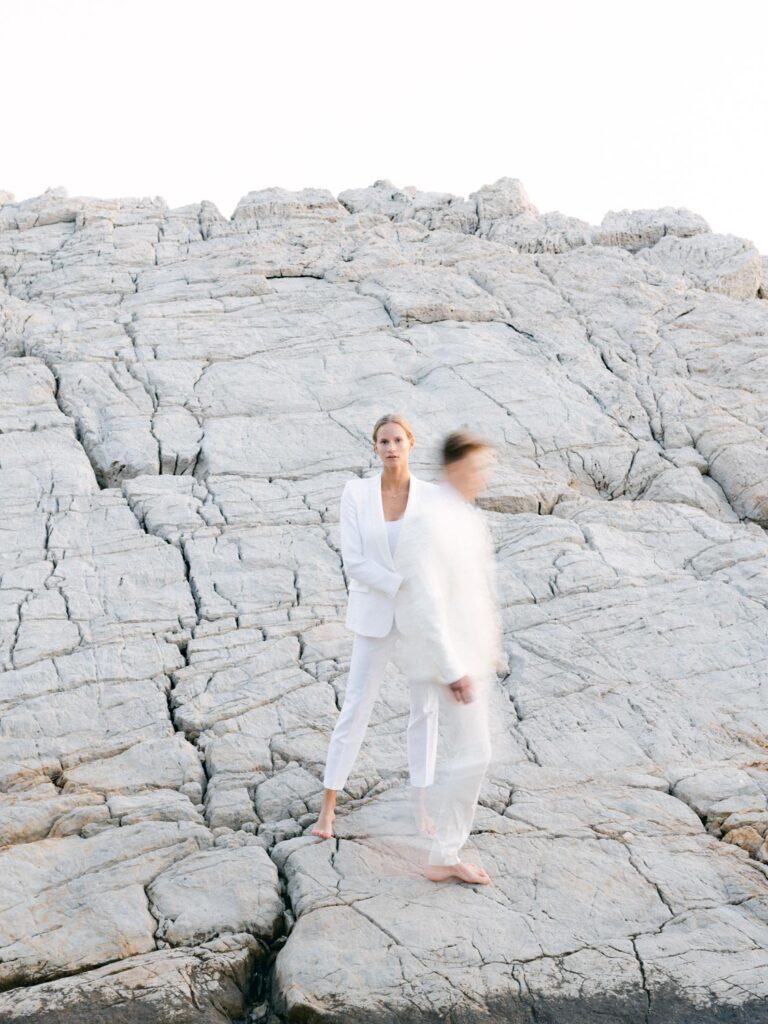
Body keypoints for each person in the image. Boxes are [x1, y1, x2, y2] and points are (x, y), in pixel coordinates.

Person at [311, 413, 440, 839]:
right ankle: (328, 810)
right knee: (355, 707)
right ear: (374, 447)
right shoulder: (356, 492)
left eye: (397, 440)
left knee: (424, 709)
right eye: (383, 441)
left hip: (418, 615)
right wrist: (400, 585)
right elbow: (353, 561)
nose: (390, 448)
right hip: (373, 615)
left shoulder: (431, 497)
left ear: (411, 443)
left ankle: (420, 806)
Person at [393, 429, 505, 885]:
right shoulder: (427, 521)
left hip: (471, 655)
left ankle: (443, 844)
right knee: (475, 753)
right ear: (455, 468)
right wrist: (453, 666)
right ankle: (443, 853)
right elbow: (425, 601)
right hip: (450, 659)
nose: (485, 477)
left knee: (474, 751)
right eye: (478, 468)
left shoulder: (465, 516)